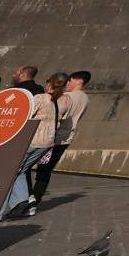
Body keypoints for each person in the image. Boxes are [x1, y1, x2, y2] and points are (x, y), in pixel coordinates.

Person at [2, 73, 66, 219]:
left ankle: (9, 207)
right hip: (47, 142)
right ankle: (25, 201)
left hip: (33, 140)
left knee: (13, 171)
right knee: (21, 170)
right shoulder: (56, 101)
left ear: (49, 83)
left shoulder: (40, 98)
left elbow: (26, 115)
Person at [30, 69, 89, 202]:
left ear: (79, 81)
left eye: (71, 80)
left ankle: (30, 198)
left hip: (53, 137)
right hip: (67, 138)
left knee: (31, 168)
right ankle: (34, 198)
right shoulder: (85, 98)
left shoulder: (67, 98)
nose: (68, 83)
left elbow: (58, 116)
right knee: (45, 170)